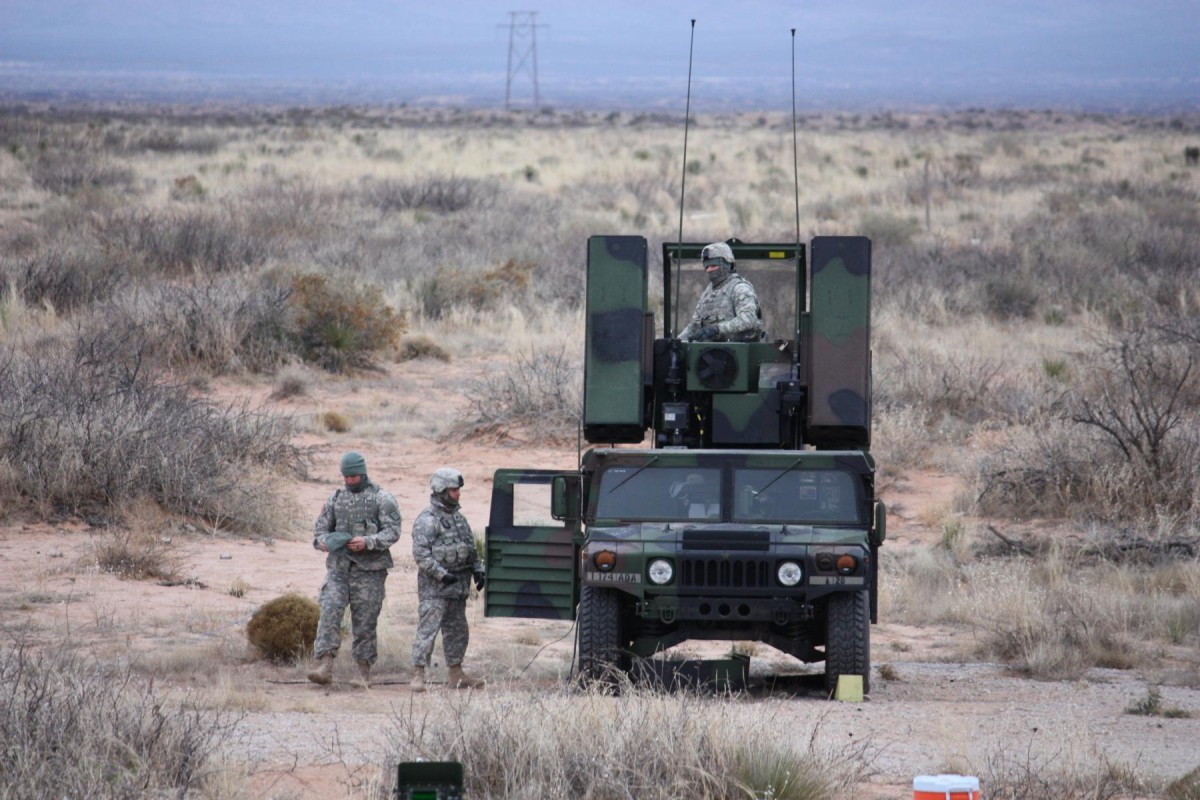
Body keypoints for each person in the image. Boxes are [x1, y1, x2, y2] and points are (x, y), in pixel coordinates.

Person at [307, 451, 402, 688]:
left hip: (370, 572)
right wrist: (324, 543)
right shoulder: (335, 499)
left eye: (354, 477)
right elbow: (319, 532)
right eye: (346, 477)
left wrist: (368, 542)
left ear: (363, 473)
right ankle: (325, 666)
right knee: (329, 612)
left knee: (365, 622)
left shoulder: (382, 498)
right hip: (338, 569)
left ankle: (362, 672)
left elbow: (393, 532)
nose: (349, 481)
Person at [410, 467, 486, 692]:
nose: (458, 494)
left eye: (458, 490)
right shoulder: (427, 520)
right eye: (454, 490)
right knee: (428, 631)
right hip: (435, 589)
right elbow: (421, 556)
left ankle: (456, 674)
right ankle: (418, 675)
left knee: (458, 631)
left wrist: (477, 570)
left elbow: (471, 548)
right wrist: (442, 575)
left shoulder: (459, 519)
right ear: (441, 491)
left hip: (458, 588)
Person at [679, 241, 766, 343]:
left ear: (726, 264)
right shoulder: (708, 293)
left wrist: (717, 329)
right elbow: (695, 325)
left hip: (741, 353)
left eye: (713, 265)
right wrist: (677, 341)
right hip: (709, 354)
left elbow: (748, 319)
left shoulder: (739, 288)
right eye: (706, 266)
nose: (709, 270)